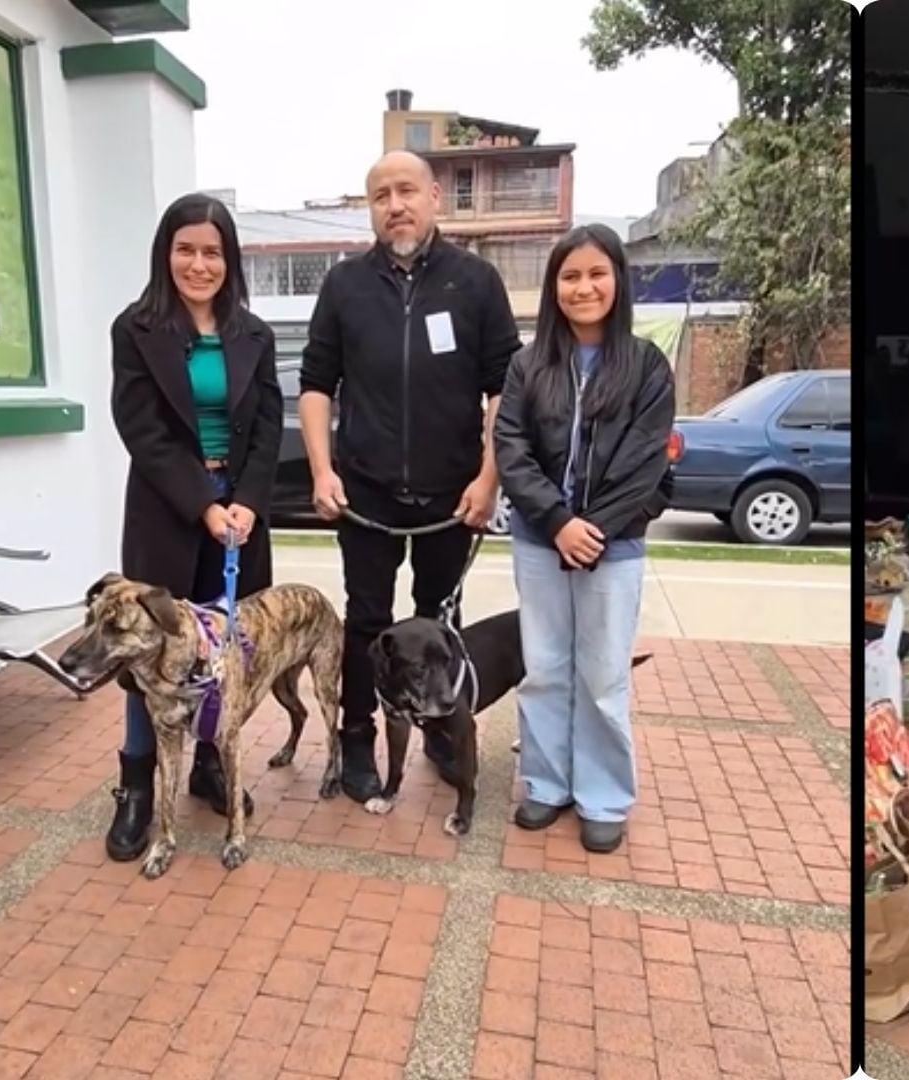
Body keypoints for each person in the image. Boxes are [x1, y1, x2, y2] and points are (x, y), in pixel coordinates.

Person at [299, 151, 523, 803]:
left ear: (432, 197)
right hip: (364, 493)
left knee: (436, 624)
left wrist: (489, 479)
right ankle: (358, 739)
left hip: (450, 496)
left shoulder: (475, 282)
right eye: (379, 195)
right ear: (368, 209)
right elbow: (316, 385)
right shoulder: (344, 287)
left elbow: (502, 390)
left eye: (405, 191)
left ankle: (438, 730)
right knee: (367, 622)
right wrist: (322, 470)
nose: (393, 204)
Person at [104, 193, 282, 861]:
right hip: (167, 515)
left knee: (221, 651)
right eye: (186, 249)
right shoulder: (136, 328)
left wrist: (248, 503)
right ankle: (137, 789)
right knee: (145, 657)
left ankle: (209, 766)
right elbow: (143, 432)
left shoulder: (253, 333)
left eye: (213, 251)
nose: (199, 264)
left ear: (229, 259)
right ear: (165, 252)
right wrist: (202, 503)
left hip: (237, 518)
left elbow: (268, 424)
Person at [494, 225, 674, 853]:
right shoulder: (527, 364)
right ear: (553, 288)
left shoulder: (647, 365)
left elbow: (646, 460)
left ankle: (603, 796)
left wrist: (591, 530)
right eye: (570, 276)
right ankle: (545, 783)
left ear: (618, 280)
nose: (584, 287)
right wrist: (556, 523)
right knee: (543, 667)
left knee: (602, 676)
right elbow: (511, 451)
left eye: (597, 273)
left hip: (613, 546)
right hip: (541, 541)